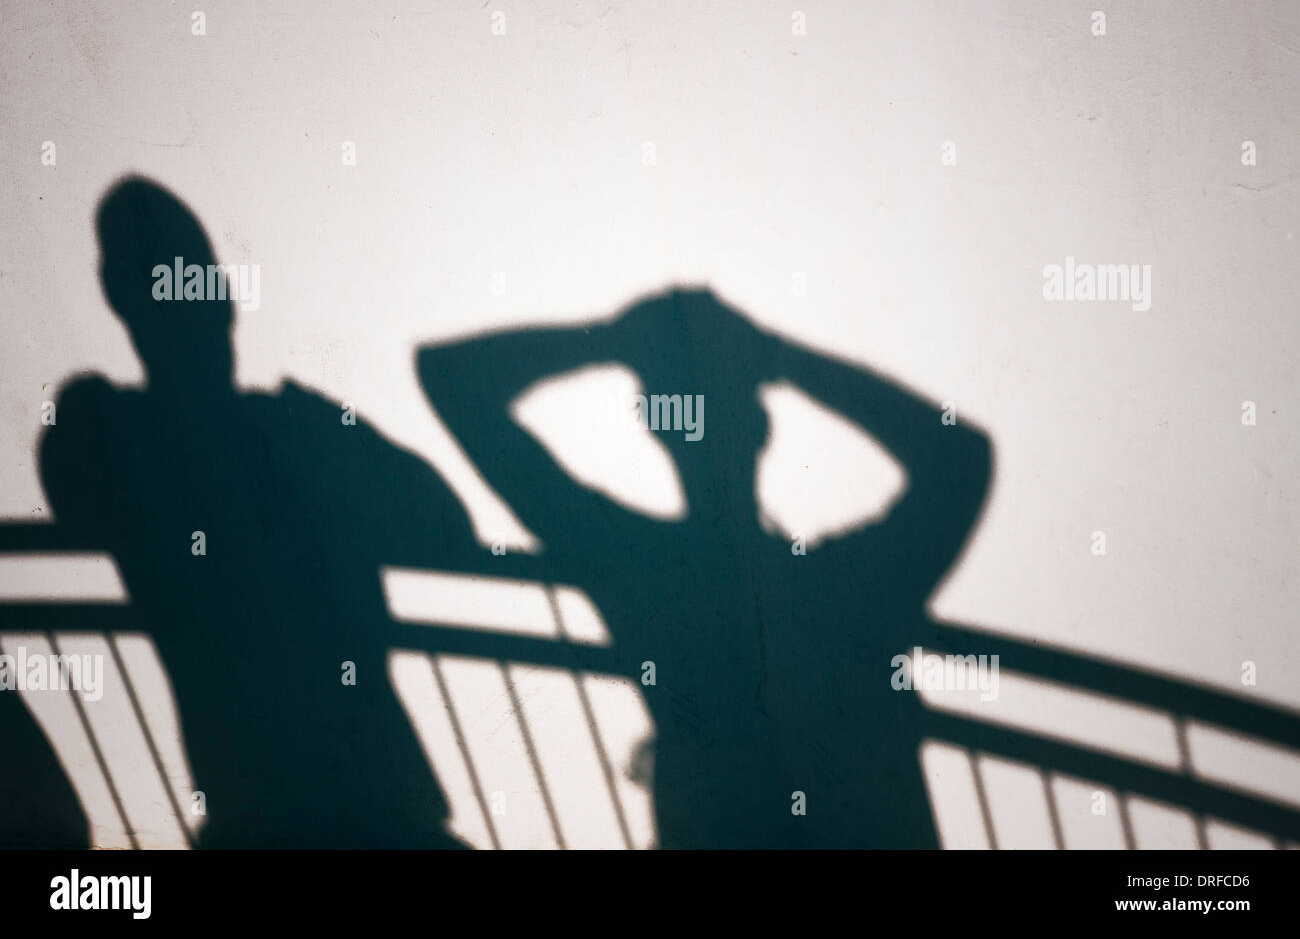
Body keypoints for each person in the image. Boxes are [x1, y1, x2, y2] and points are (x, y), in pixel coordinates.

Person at [417, 286, 993, 847]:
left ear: (654, 426)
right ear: (763, 426)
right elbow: (958, 455)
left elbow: (452, 378)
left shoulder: (630, 564)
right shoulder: (848, 579)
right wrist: (773, 354)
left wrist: (614, 341)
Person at [39, 177, 476, 847]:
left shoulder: (109, 430)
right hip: (381, 808)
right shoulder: (291, 426)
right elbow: (448, 527)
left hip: (264, 815)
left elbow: (446, 524)